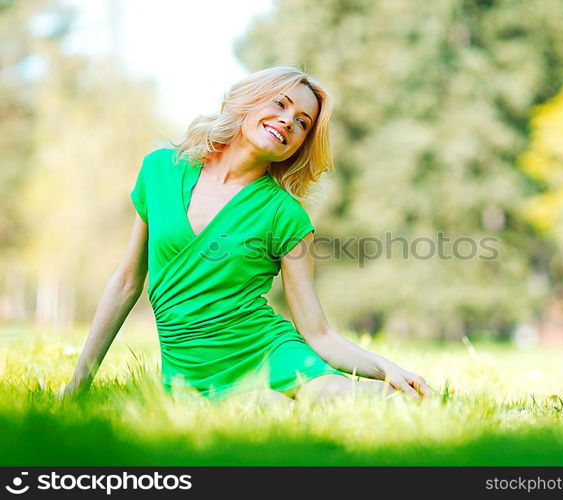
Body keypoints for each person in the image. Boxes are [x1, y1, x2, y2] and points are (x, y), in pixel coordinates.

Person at [62, 66, 431, 405]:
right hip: (190, 377)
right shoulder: (160, 170)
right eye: (280, 104)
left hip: (270, 351)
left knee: (335, 397)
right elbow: (127, 282)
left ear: (301, 142)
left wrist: (386, 369)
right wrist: (80, 381)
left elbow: (317, 333)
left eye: (302, 122)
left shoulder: (285, 215)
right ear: (248, 101)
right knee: (267, 410)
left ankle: (429, 403)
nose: (288, 121)